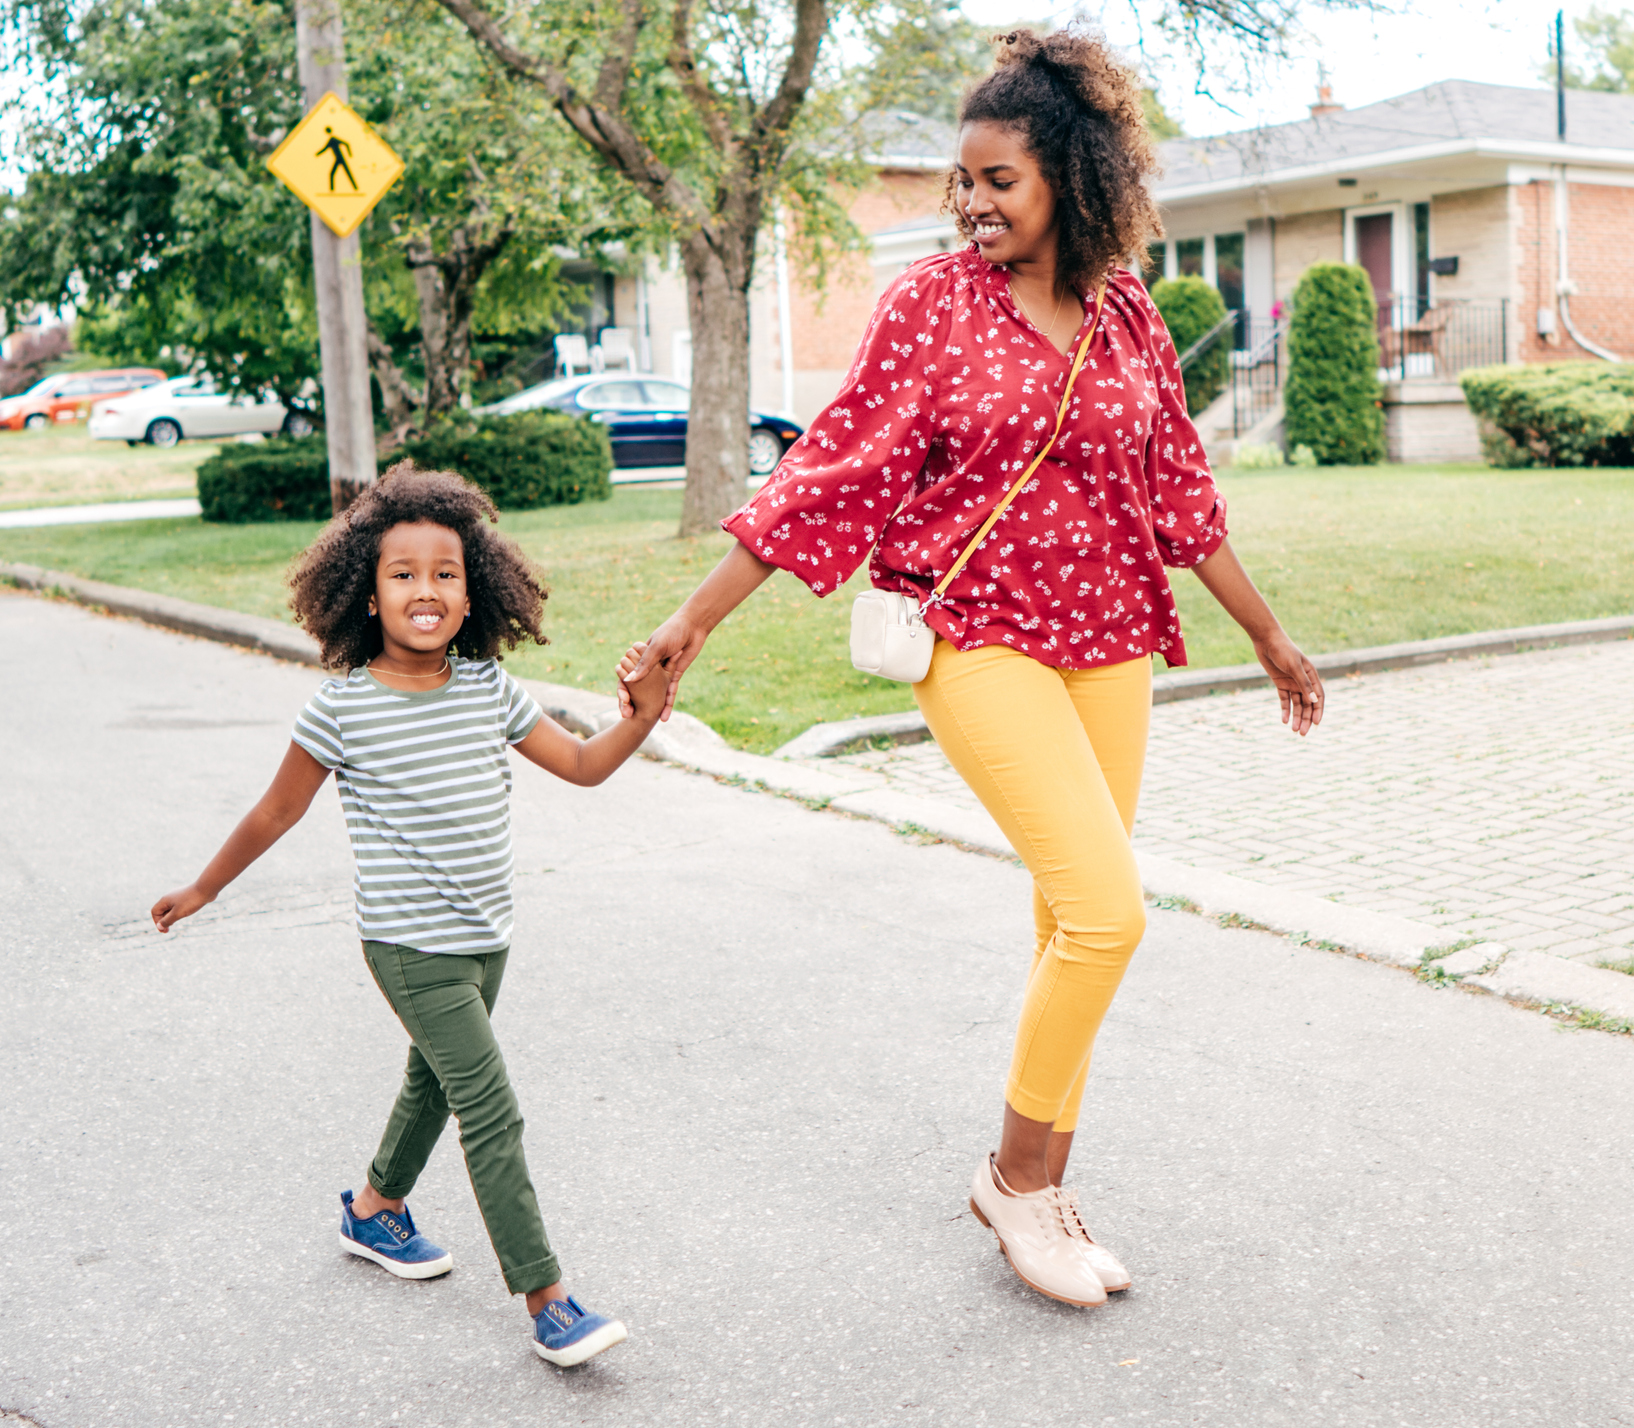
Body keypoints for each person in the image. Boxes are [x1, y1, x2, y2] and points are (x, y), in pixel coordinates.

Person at [615, 28, 1325, 1310]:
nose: (973, 201)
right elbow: (829, 471)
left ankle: (1048, 1184)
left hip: (1113, 642)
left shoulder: (1130, 318)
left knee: (1070, 924)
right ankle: (1014, 1182)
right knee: (1112, 912)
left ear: (1074, 175)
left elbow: (1180, 494)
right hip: (979, 644)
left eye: (1000, 179)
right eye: (966, 179)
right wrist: (694, 621)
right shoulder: (933, 308)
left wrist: (1268, 637)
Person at [150, 464, 667, 1367]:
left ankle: (375, 1210)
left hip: (484, 937)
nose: (425, 590)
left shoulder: (489, 690)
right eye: (403, 573)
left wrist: (643, 717)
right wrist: (206, 888)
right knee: (489, 1108)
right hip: (408, 945)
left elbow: (584, 766)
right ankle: (549, 1301)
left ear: (475, 593)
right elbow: (277, 812)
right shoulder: (342, 709)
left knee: (434, 1083)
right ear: (366, 590)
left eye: (446, 573)